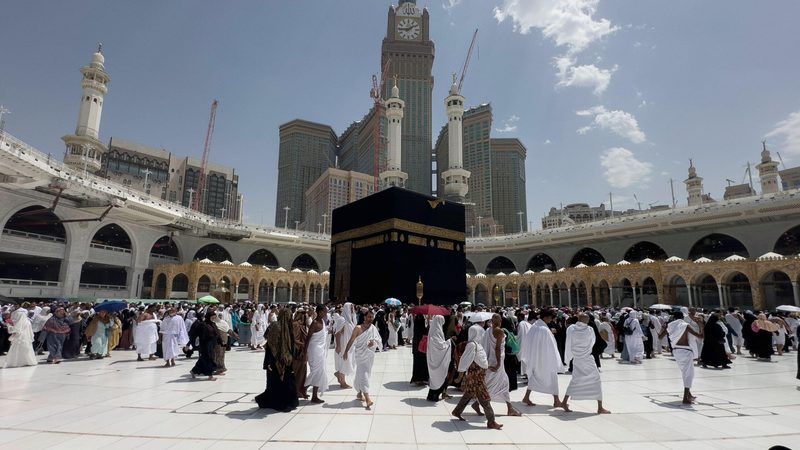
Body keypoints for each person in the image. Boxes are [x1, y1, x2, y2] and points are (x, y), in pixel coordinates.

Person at [451, 324, 503, 430]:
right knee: (485, 398)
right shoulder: (472, 345)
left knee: (469, 394)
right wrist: (460, 375)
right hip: (476, 377)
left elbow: (481, 360)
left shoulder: (476, 344)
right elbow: (465, 361)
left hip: (478, 376)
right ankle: (491, 421)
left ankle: (457, 411)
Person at [561, 313, 610, 414]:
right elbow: (592, 342)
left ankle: (564, 402)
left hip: (577, 360)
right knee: (596, 380)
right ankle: (600, 407)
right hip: (587, 359)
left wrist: (569, 357)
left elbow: (568, 342)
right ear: (586, 321)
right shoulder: (590, 330)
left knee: (575, 381)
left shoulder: (571, 329)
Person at [255, 308, 299, 411]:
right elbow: (270, 344)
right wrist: (270, 361)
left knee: (286, 380)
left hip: (286, 359)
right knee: (277, 381)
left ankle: (287, 402)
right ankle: (279, 403)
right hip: (275, 360)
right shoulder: (276, 326)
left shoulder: (288, 326)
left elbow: (291, 343)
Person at [520, 310, 565, 407]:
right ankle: (556, 401)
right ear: (546, 317)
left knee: (534, 377)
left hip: (536, 358)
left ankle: (526, 397)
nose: (551, 320)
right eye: (550, 318)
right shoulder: (543, 329)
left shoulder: (535, 326)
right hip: (545, 358)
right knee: (552, 378)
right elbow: (551, 346)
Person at [661, 311, 704, 404]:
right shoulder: (685, 325)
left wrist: (662, 328)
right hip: (686, 351)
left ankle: (689, 394)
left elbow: (660, 337)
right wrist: (701, 325)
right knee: (688, 374)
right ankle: (685, 397)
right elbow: (701, 336)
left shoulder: (670, 325)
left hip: (676, 351)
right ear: (682, 318)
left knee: (686, 372)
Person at [483, 313, 522, 416]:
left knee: (497, 383)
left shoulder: (488, 330)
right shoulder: (499, 331)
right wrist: (498, 363)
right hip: (497, 362)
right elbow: (497, 348)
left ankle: (509, 408)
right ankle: (478, 403)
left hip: (490, 360)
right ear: (500, 321)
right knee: (496, 383)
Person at [343, 309, 382, 410]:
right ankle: (368, 398)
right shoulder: (358, 328)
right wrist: (345, 351)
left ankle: (359, 393)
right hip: (360, 355)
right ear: (364, 317)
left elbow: (378, 339)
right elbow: (351, 340)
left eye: (372, 317)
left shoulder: (373, 328)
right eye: (369, 317)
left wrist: (373, 343)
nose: (371, 319)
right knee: (364, 374)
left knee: (363, 373)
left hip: (369, 355)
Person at [426, 315, 453, 401]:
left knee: (435, 377)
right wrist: (449, 342)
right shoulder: (437, 331)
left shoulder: (434, 329)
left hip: (433, 358)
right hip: (438, 359)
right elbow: (440, 346)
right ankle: (434, 396)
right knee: (440, 376)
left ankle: (432, 396)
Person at [305, 305, 329, 403]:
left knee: (319, 372)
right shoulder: (314, 323)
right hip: (314, 351)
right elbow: (308, 338)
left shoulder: (322, 322)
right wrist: (304, 352)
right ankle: (303, 388)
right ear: (319, 312)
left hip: (321, 351)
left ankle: (312, 394)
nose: (326, 313)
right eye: (324, 311)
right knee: (315, 372)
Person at [189, 313, 220, 381]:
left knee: (203, 359)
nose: (214, 319)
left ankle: (194, 371)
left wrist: (219, 341)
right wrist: (189, 343)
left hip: (211, 344)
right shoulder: (202, 324)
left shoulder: (213, 324)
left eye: (214, 317)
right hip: (205, 345)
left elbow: (216, 333)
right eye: (212, 317)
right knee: (209, 359)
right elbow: (194, 334)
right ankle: (210, 375)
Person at [333, 303, 356, 389]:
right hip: (343, 345)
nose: (352, 310)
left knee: (347, 362)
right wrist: (338, 346)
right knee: (344, 362)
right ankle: (342, 383)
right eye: (351, 308)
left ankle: (339, 374)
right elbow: (337, 334)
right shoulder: (342, 319)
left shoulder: (350, 320)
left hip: (348, 345)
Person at [293, 307, 310, 399]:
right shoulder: (295, 325)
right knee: (296, 372)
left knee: (303, 372)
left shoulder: (303, 326)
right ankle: (295, 391)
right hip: (297, 353)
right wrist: (304, 344)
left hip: (303, 352)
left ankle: (301, 390)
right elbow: (294, 340)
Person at [410, 313, 429, 385]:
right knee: (421, 363)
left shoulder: (416, 326)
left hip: (416, 347)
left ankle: (417, 379)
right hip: (421, 348)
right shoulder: (421, 327)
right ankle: (420, 379)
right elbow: (424, 333)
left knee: (416, 364)